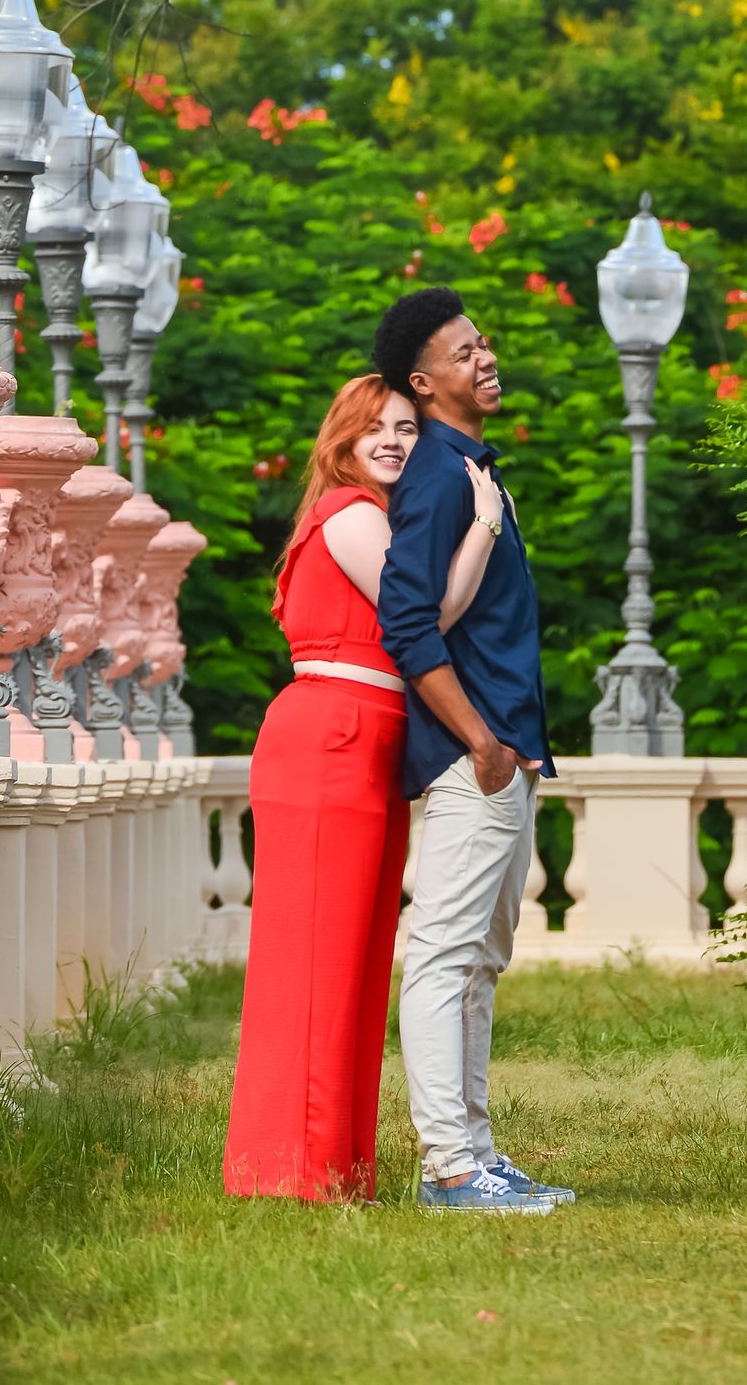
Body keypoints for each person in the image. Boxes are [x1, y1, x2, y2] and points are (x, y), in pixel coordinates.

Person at [223, 372, 500, 1201]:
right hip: (330, 738)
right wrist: (484, 526)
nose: (391, 440)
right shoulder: (349, 515)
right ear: (339, 442)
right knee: (313, 958)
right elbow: (426, 615)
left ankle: (336, 1168)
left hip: (366, 741)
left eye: (407, 429)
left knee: (354, 960)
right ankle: (288, 1170)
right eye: (371, 427)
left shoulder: (380, 518)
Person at [373, 285, 571, 1214]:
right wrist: (483, 742)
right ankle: (450, 1166)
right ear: (425, 381)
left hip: (503, 754)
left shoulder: (472, 468)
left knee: (482, 957)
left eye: (485, 343)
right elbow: (408, 626)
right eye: (464, 352)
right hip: (471, 758)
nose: (486, 358)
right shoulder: (439, 476)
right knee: (447, 956)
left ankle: (478, 1156)